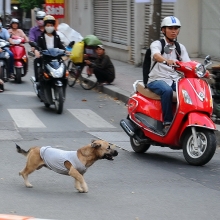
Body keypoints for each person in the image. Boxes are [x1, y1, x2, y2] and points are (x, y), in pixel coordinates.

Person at [147, 16, 190, 133]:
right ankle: (167, 123)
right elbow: (156, 55)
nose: (174, 31)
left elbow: (188, 63)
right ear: (163, 30)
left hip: (174, 79)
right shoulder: (157, 44)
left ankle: (184, 119)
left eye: (176, 28)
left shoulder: (180, 47)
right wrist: (166, 61)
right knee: (167, 91)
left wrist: (199, 69)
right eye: (170, 28)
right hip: (157, 79)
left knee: (189, 91)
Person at [29, 11, 46, 82]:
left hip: (49, 50)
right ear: (36, 20)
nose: (40, 21)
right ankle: (37, 81)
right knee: (37, 61)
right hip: (38, 49)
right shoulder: (33, 30)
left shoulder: (49, 29)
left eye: (42, 19)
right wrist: (34, 47)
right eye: (39, 19)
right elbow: (31, 40)